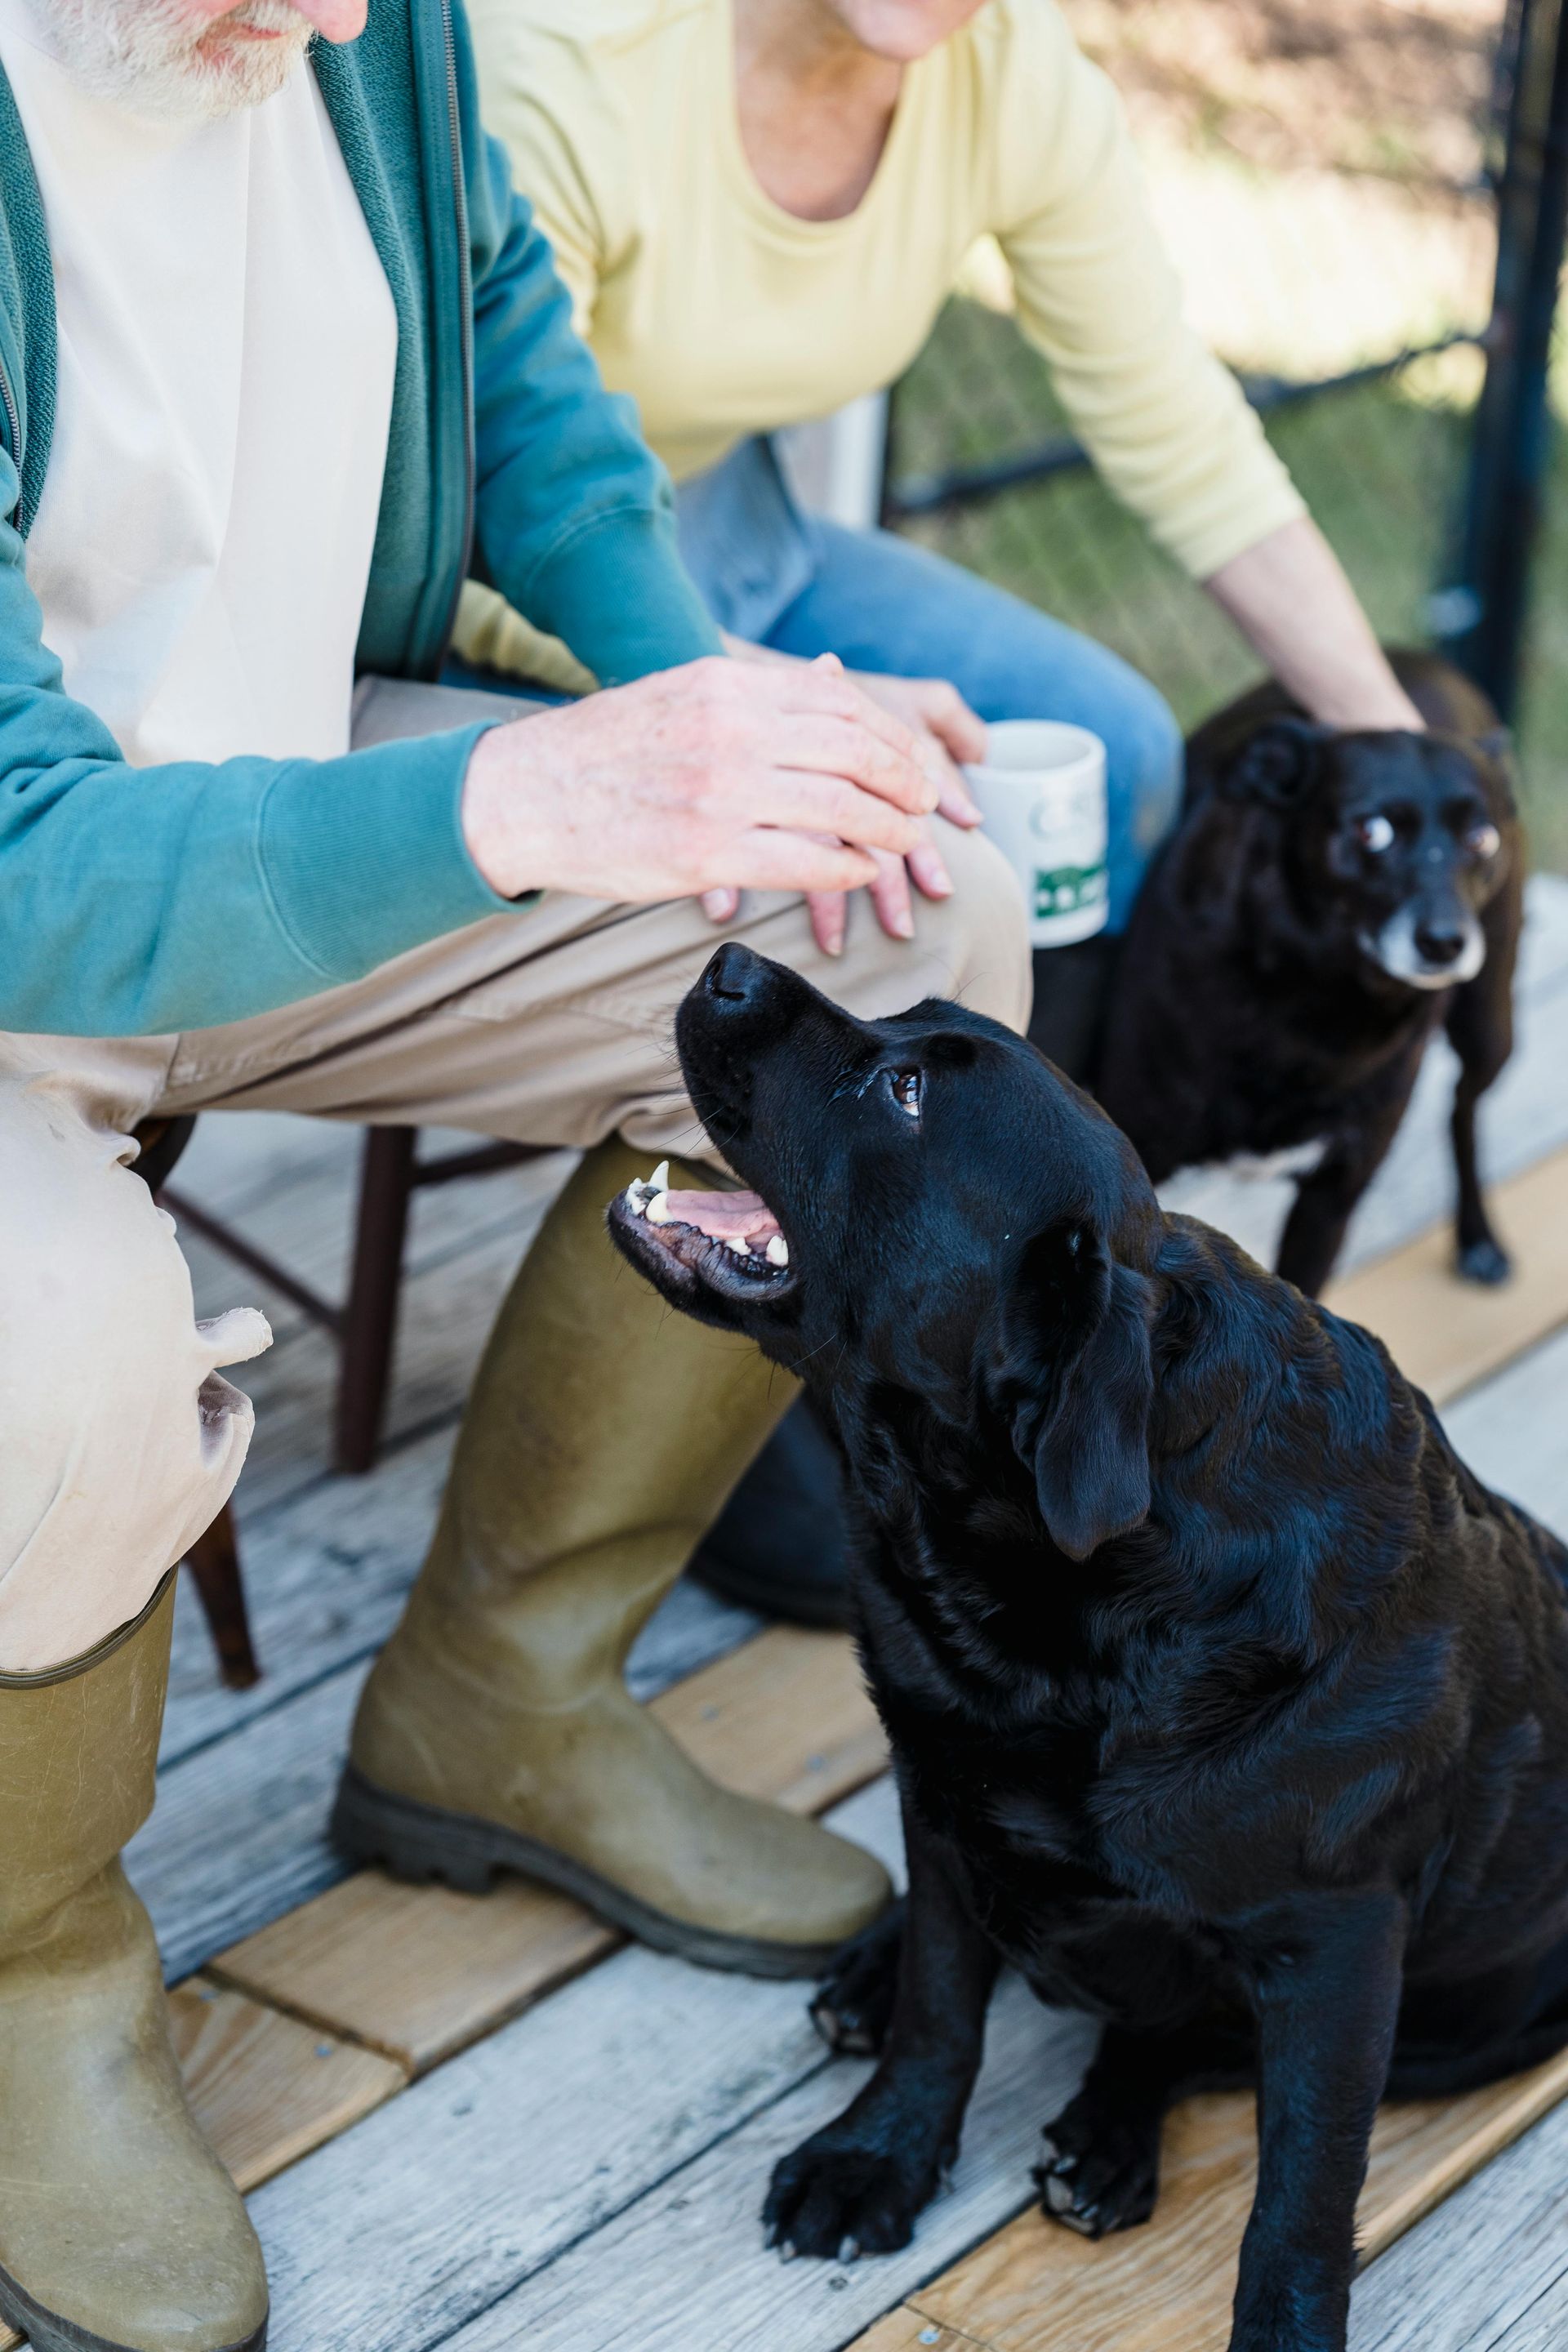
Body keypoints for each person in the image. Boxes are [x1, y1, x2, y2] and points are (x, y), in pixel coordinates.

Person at [0, 0, 1033, 2341]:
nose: (365, 18)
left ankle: (507, 1698)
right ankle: (34, 1970)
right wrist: (527, 804)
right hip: (23, 899)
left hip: (292, 815)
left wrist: (728, 734)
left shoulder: (374, 34)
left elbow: (526, 404)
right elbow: (19, 855)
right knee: (53, 1352)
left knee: (896, 924)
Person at [462, 0, 1429, 1075]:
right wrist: (787, 710)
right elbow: (478, 529)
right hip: (499, 587)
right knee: (851, 880)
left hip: (734, 534)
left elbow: (1181, 433)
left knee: (1110, 753)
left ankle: (1038, 1175)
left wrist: (1407, 755)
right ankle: (782, 1190)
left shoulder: (1014, 69)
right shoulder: (573, 65)